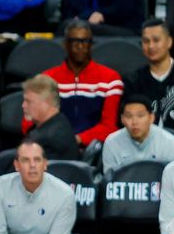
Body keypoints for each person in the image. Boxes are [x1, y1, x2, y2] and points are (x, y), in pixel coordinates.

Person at [35, 20, 124, 148]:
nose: (80, 46)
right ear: (66, 44)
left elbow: (109, 126)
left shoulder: (110, 79)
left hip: (96, 148)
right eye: (74, 41)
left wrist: (78, 139)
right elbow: (31, 121)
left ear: (91, 44)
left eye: (85, 41)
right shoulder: (47, 79)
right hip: (54, 147)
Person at [101, 95, 174, 172]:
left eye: (140, 116)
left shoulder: (170, 143)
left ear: (151, 118)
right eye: (129, 116)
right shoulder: (112, 143)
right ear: (122, 119)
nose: (134, 122)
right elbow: (109, 182)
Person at [20, 73, 78, 159]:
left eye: (28, 101)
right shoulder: (59, 123)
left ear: (47, 103)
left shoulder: (49, 138)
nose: (23, 105)